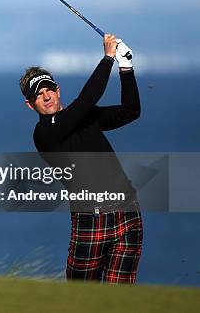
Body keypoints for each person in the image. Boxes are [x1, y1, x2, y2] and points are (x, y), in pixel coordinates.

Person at [19, 34, 143, 283]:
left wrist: (126, 67)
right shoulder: (45, 133)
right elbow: (86, 100)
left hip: (127, 213)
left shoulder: (84, 117)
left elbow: (131, 111)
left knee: (120, 301)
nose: (47, 97)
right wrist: (108, 58)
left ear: (58, 90)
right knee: (82, 300)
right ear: (30, 105)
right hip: (90, 218)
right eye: (39, 96)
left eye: (49, 90)